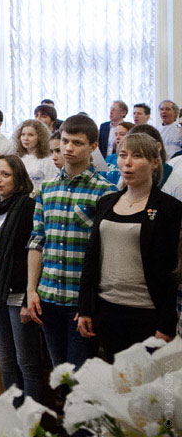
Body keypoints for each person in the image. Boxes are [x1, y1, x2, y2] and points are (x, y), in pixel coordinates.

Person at [24, 114, 117, 370]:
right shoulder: (47, 189)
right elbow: (37, 241)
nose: (68, 148)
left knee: (79, 382)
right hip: (48, 296)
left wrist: (93, 303)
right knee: (59, 375)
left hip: (81, 301)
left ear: (93, 146)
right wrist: (32, 290)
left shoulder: (105, 191)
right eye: (65, 141)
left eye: (77, 143)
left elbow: (105, 254)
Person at [78, 133, 182, 357]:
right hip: (106, 310)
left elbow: (173, 272)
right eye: (123, 155)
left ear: (155, 163)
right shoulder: (107, 202)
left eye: (137, 156)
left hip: (147, 314)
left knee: (148, 389)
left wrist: (166, 324)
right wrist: (85, 308)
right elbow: (91, 258)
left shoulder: (169, 208)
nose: (127, 162)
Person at [0, 156, 43, 406]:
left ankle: (32, 419)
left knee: (27, 361)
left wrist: (27, 299)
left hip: (17, 293)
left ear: (18, 178)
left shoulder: (27, 206)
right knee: (4, 358)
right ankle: (12, 414)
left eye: (6, 175)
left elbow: (30, 256)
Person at [13, 119, 55, 193]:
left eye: (30, 135)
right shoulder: (18, 158)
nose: (25, 138)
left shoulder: (48, 160)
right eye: (23, 134)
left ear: (40, 137)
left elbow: (52, 186)